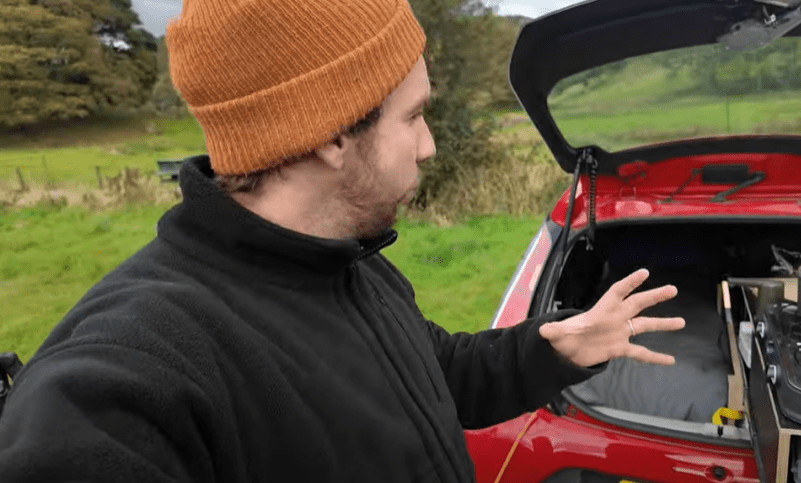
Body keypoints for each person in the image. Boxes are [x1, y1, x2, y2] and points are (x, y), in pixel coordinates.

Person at [0, 0, 685, 481]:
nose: (430, 146)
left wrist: (553, 348)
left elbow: (435, 373)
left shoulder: (347, 263)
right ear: (328, 133)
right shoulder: (129, 377)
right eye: (413, 117)